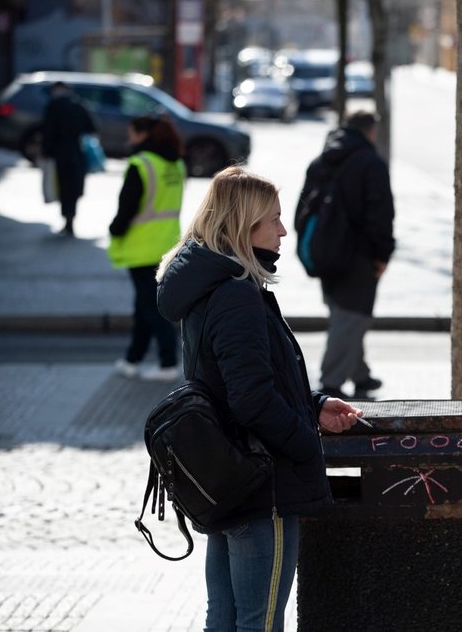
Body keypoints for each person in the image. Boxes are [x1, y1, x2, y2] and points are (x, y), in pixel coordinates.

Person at [156, 165, 365, 631]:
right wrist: (305, 445)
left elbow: (236, 381)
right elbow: (250, 399)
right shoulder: (235, 295)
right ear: (242, 225)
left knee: (227, 616)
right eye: (273, 219)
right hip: (261, 483)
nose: (283, 230)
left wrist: (311, 404)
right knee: (261, 620)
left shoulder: (208, 287)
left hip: (231, 478)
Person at [298, 110, 395, 400]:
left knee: (344, 313)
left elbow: (302, 208)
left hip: (325, 251)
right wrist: (382, 254)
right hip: (358, 255)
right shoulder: (370, 163)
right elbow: (381, 214)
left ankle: (360, 375)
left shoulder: (321, 160)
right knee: (351, 317)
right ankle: (330, 382)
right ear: (371, 131)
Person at [108, 116, 186, 382]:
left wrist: (114, 229)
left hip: (142, 247)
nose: (129, 140)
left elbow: (126, 208)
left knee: (151, 307)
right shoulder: (176, 163)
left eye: (132, 135)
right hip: (168, 244)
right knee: (144, 305)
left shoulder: (141, 164)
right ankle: (133, 359)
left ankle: (168, 363)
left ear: (144, 135)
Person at [40, 81, 96, 236]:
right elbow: (91, 128)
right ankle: (70, 218)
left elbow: (48, 132)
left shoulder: (53, 106)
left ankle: (67, 219)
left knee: (63, 187)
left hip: (60, 153)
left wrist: (46, 151)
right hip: (78, 152)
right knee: (74, 187)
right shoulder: (79, 104)